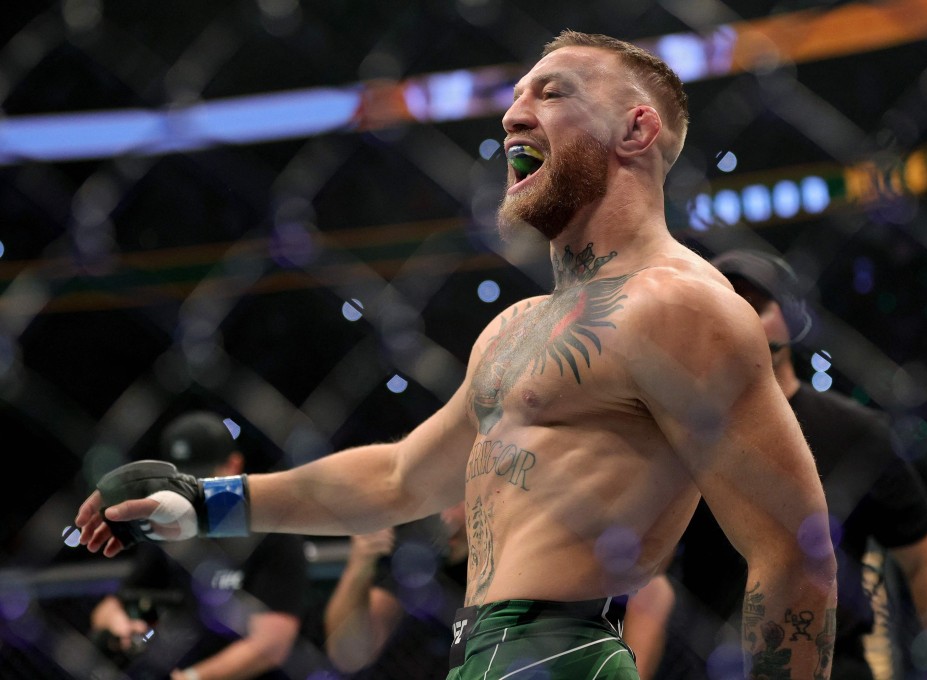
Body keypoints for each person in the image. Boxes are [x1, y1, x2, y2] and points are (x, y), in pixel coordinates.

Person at [76, 31, 838, 679]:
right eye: (515, 96)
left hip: (563, 650)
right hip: (477, 650)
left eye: (552, 93)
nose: (513, 113)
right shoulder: (514, 329)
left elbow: (793, 549)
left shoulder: (682, 304)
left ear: (635, 132)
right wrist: (204, 502)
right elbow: (400, 477)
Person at [625, 249, 927, 680]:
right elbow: (648, 578)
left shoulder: (856, 432)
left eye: (757, 304)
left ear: (790, 320)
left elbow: (926, 565)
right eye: (728, 304)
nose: (743, 318)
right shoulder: (680, 439)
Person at [89, 411, 309, 680]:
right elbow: (111, 607)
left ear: (233, 466)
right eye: (183, 479)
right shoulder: (168, 529)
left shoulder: (272, 532)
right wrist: (119, 624)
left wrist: (194, 677)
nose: (193, 489)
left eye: (203, 477)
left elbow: (273, 642)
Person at [321, 504, 468, 677]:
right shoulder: (414, 553)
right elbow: (348, 656)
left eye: (457, 498)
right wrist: (360, 564)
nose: (446, 514)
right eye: (441, 500)